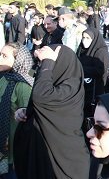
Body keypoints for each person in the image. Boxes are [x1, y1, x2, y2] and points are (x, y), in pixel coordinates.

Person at [14, 45, 90, 179]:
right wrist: (26, 111)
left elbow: (42, 96)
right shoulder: (50, 83)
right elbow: (42, 104)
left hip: (61, 165)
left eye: (50, 62)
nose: (43, 68)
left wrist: (48, 62)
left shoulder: (71, 87)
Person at [0, 43, 33, 178]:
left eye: (4, 56)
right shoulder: (4, 78)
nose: (0, 58)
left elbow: (26, 119)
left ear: (18, 61)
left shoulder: (23, 86)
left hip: (14, 153)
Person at [77, 28, 109, 119]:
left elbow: (100, 70)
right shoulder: (81, 48)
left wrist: (81, 69)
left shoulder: (101, 51)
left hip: (94, 88)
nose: (84, 40)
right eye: (83, 37)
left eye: (88, 38)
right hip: (82, 86)